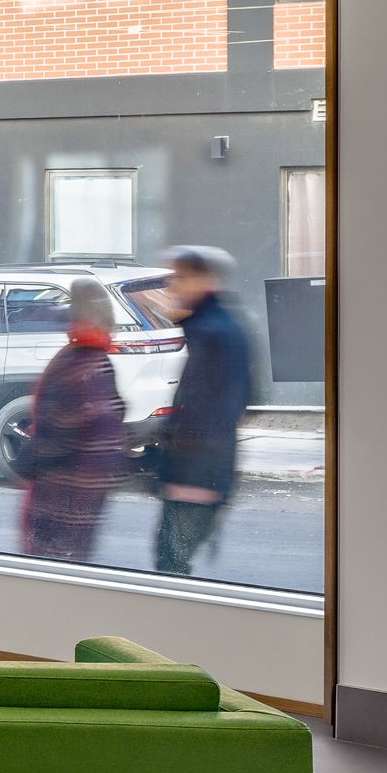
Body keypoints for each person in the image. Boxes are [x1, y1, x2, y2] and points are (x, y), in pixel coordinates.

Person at [152, 245, 255, 576]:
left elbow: (208, 409)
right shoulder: (215, 326)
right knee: (173, 560)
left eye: (179, 278)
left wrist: (175, 461)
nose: (172, 288)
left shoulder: (212, 333)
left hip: (195, 475)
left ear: (203, 280)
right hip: (201, 471)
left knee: (171, 563)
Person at [20, 277, 129, 563]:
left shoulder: (80, 361)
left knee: (53, 563)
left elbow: (68, 424)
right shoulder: (94, 359)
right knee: (69, 561)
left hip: (65, 486)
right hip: (86, 486)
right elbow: (105, 417)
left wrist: (31, 458)